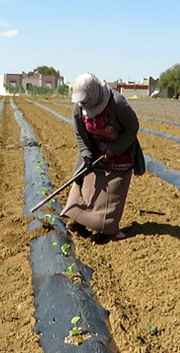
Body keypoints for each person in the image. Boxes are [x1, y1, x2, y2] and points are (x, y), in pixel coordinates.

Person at [60, 73, 146, 241]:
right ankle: (80, 222)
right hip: (95, 151)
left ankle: (108, 229)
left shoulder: (117, 103)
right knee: (86, 187)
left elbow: (132, 127)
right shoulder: (79, 107)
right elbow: (79, 133)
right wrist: (86, 154)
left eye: (85, 100)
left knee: (111, 194)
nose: (82, 104)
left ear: (94, 93)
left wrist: (114, 148)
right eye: (80, 101)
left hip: (119, 153)